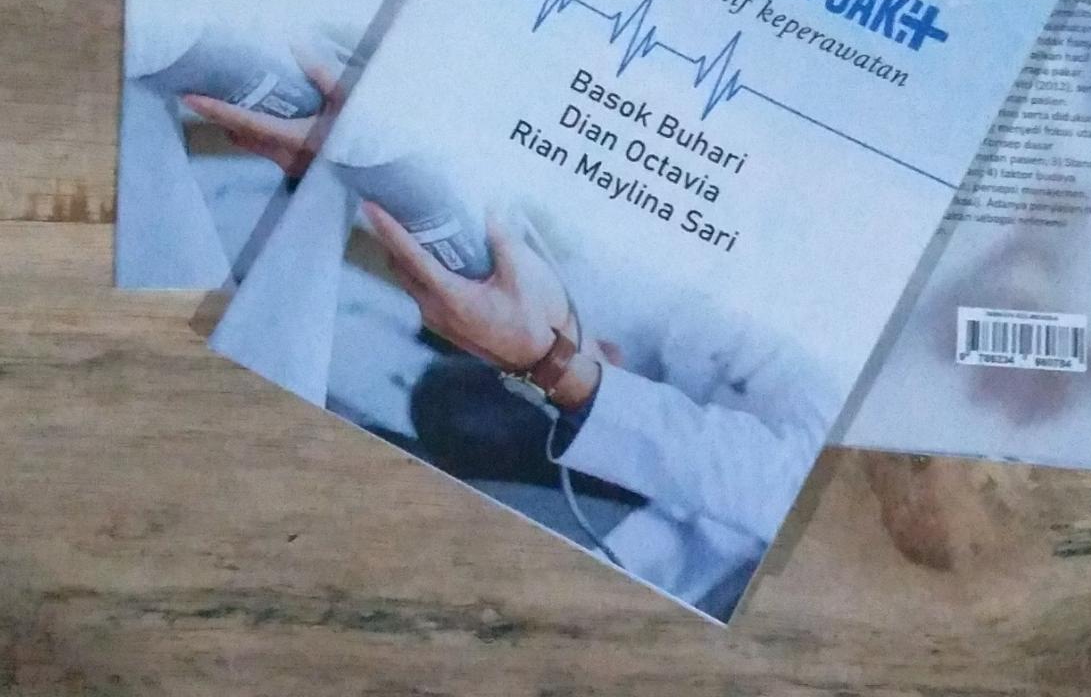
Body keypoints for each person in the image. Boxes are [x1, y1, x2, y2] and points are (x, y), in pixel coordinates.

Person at [189, 92, 839, 616]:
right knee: (450, 396)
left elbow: (779, 482)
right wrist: (570, 322)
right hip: (631, 392)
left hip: (703, 515)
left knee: (448, 490)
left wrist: (567, 370)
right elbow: (674, 310)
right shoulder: (761, 222)